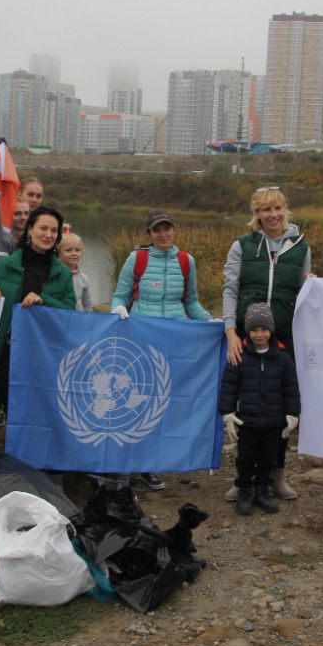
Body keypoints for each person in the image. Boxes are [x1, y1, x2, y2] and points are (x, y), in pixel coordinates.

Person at [109, 209, 210, 489]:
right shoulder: (137, 258)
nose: (163, 234)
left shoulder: (186, 261)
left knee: (162, 403)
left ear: (174, 230)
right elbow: (119, 295)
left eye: (167, 228)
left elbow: (191, 303)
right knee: (134, 401)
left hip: (174, 342)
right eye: (157, 230)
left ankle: (150, 465)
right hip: (141, 340)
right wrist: (117, 309)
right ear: (149, 234)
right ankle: (125, 465)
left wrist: (211, 323)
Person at [221, 186, 311, 501]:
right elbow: (230, 289)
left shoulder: (301, 246)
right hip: (249, 336)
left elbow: (305, 292)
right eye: (265, 210)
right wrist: (231, 331)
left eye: (277, 209)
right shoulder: (242, 246)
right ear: (256, 214)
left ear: (285, 210)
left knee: (279, 409)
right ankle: (244, 478)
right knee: (247, 404)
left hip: (284, 337)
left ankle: (277, 474)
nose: (272, 215)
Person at [0, 206, 77, 427]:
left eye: (54, 231)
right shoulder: (6, 264)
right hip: (8, 337)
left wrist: (44, 301)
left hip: (41, 342)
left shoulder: (61, 273)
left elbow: (70, 310)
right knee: (4, 372)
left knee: (34, 386)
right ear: (30, 230)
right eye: (43, 228)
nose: (48, 235)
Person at [217, 303, 300, 516]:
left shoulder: (283, 358)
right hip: (248, 422)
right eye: (254, 330)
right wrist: (227, 412)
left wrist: (292, 413)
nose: (259, 334)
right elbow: (228, 386)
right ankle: (245, 490)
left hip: (274, 422)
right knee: (245, 458)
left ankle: (263, 490)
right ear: (248, 332)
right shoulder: (239, 356)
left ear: (270, 330)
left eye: (263, 329)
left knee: (268, 458)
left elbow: (291, 388)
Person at [59, 231, 91, 312]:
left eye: (77, 250)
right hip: (59, 317)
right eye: (68, 250)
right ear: (59, 253)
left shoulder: (83, 278)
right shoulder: (55, 275)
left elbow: (87, 304)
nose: (74, 253)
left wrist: (88, 318)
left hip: (78, 319)